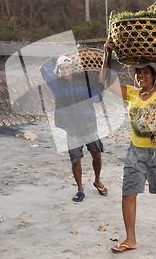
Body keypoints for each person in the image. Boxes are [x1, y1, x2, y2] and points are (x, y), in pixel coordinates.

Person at [102, 40, 156, 253]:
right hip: (135, 151)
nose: (141, 76)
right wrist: (106, 54)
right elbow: (105, 81)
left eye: (146, 72)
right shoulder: (132, 94)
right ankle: (130, 239)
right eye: (138, 72)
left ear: (154, 75)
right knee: (128, 192)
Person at [40, 55, 108, 202]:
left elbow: (96, 98)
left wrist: (100, 87)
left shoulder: (83, 82)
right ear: (58, 71)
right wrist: (54, 59)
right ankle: (80, 189)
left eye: (67, 67)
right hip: (72, 129)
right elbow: (43, 69)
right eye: (61, 68)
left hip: (89, 125)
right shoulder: (56, 85)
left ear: (72, 68)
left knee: (97, 155)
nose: (65, 71)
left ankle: (97, 180)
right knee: (75, 160)